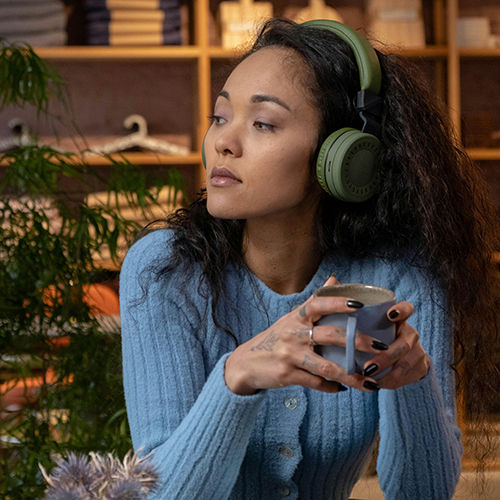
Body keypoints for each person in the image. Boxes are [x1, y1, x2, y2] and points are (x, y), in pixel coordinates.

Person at [119, 18, 500, 500]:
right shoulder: (165, 270)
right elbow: (156, 495)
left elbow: (421, 493)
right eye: (220, 117)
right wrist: (237, 377)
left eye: (262, 123)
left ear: (344, 157)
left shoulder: (400, 276)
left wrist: (414, 383)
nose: (223, 142)